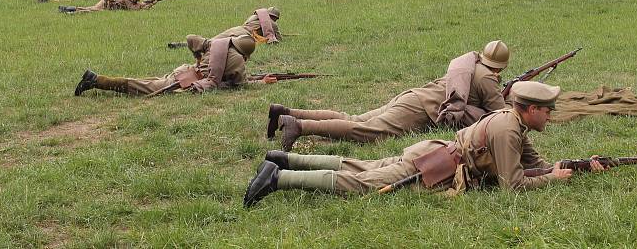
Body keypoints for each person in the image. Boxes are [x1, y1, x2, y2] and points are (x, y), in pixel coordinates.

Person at [244, 81, 606, 206]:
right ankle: (277, 178)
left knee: (363, 167)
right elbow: (514, 185)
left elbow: (534, 164)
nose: (551, 116)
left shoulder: (513, 125)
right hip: (434, 167)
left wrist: (573, 167)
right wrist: (551, 180)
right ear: (529, 110)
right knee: (362, 183)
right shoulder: (508, 130)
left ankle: (284, 159)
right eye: (548, 110)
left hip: (432, 154)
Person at [269, 40, 510, 151]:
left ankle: (285, 112)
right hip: (419, 110)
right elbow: (501, 115)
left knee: (354, 118)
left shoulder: (471, 65)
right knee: (367, 132)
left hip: (415, 97)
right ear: (501, 65)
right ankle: (299, 126)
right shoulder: (488, 77)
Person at [74, 34, 256, 96]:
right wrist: (263, 81)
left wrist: (198, 59)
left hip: (185, 72)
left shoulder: (217, 43)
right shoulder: (238, 60)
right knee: (144, 87)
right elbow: (241, 85)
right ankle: (96, 80)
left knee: (148, 82)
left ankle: (97, 80)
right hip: (188, 83)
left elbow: (191, 39)